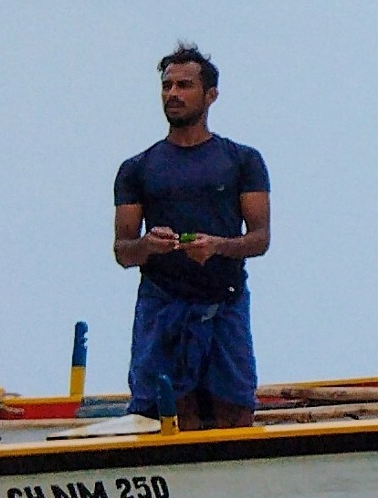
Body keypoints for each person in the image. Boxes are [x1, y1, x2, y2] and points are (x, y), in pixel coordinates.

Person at [111, 45, 270, 430]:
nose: (173, 94)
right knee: (163, 417)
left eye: (184, 85)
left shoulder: (242, 161)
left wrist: (217, 246)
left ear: (210, 95)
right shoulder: (137, 169)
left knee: (233, 414)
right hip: (163, 309)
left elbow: (260, 239)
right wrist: (148, 245)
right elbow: (123, 251)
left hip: (224, 305)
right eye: (167, 86)